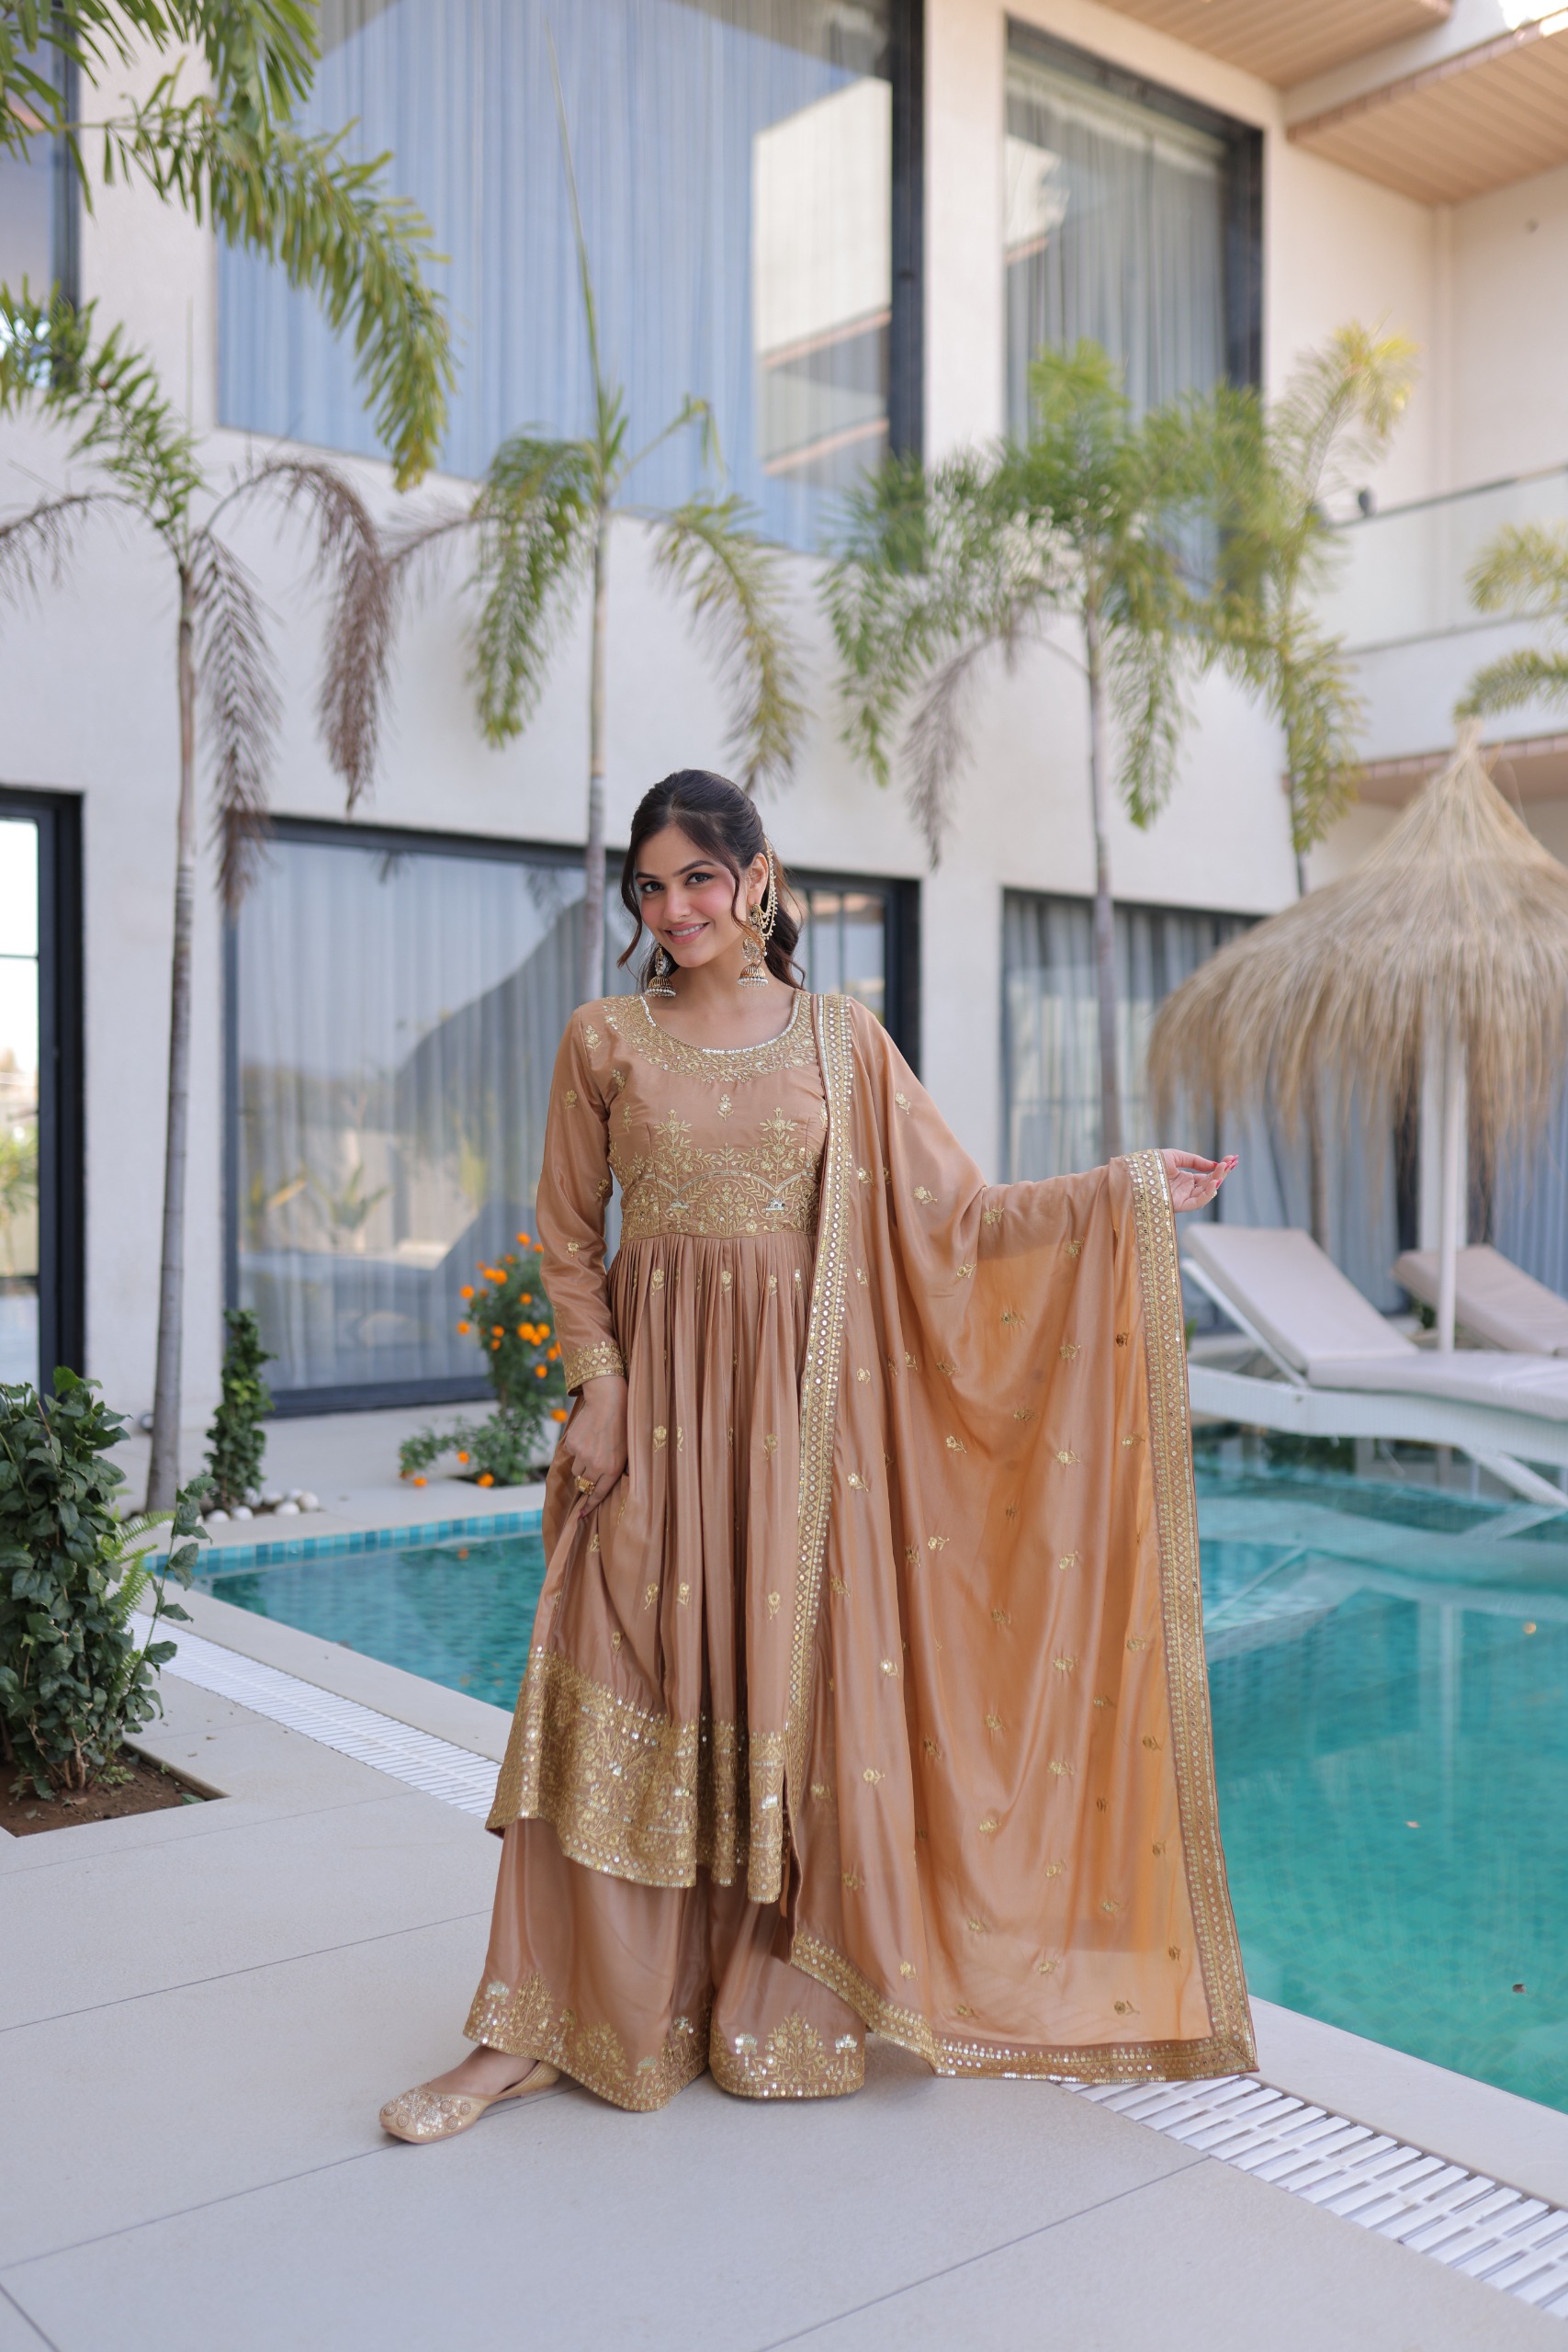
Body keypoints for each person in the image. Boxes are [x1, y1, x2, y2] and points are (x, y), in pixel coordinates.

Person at [379, 769, 1250, 2140]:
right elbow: (565, 1236)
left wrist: (1122, 1189)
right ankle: (534, 2026)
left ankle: (761, 1998)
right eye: (651, 887)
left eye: (698, 879)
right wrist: (597, 1385)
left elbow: (957, 1219)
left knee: (777, 1698)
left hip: (801, 1430)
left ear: (759, 877)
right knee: (604, 1678)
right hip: (654, 1418)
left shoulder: (843, 1042)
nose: (675, 909)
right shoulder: (604, 1038)